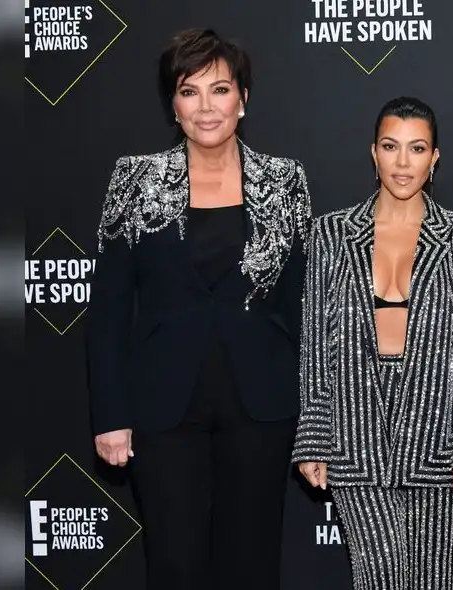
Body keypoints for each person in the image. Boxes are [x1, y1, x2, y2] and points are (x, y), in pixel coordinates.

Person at [86, 28, 311, 590]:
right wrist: (111, 414)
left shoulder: (285, 182)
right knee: (175, 565)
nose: (206, 107)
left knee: (252, 564)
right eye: (190, 92)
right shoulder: (134, 180)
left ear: (243, 99)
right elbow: (109, 309)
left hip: (262, 403)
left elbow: (306, 305)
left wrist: (317, 418)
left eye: (220, 89)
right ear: (173, 104)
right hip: (164, 407)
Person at [292, 96, 453, 590]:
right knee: (378, 573)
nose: (403, 163)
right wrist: (315, 434)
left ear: (435, 158)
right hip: (356, 428)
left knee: (434, 581)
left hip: (439, 432)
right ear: (373, 153)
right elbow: (317, 342)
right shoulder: (332, 235)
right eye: (391, 147)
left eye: (417, 148)